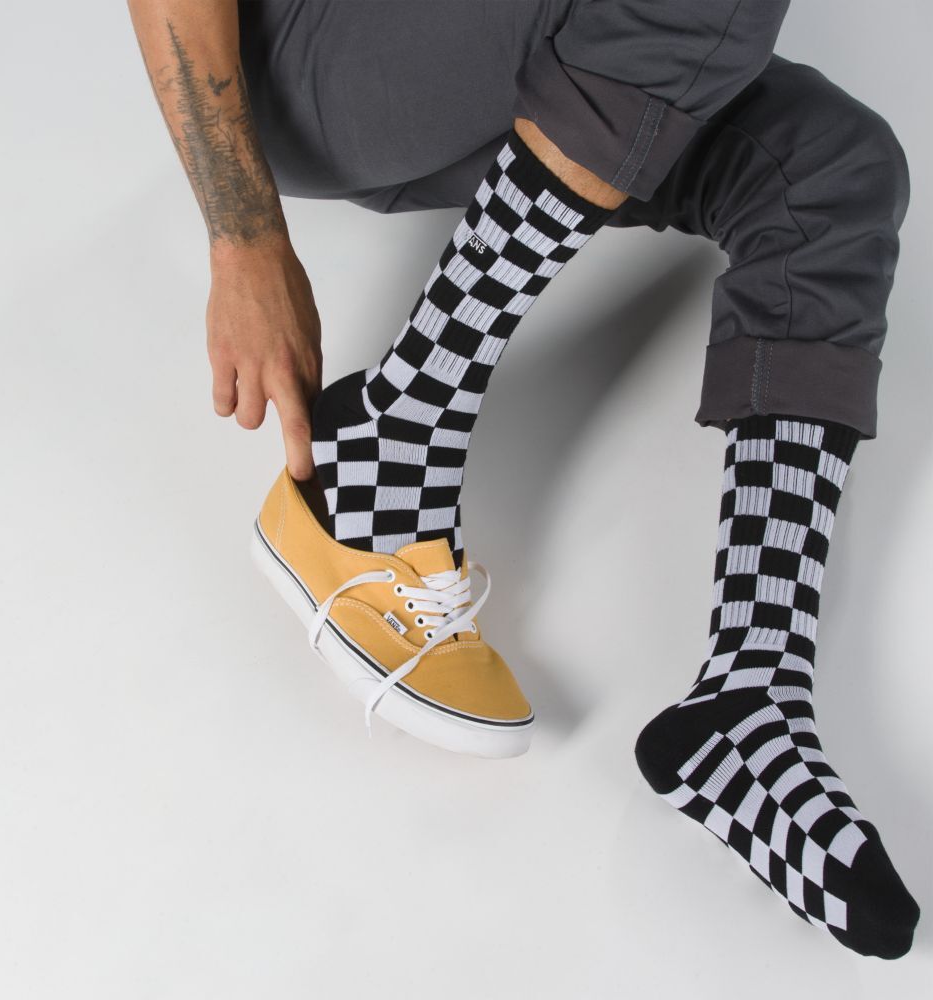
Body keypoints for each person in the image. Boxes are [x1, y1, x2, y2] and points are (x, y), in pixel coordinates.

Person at [126, 0, 919, 959]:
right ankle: (398, 434)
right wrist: (242, 237)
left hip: (487, 47)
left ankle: (752, 697)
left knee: (828, 170)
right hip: (314, 56)